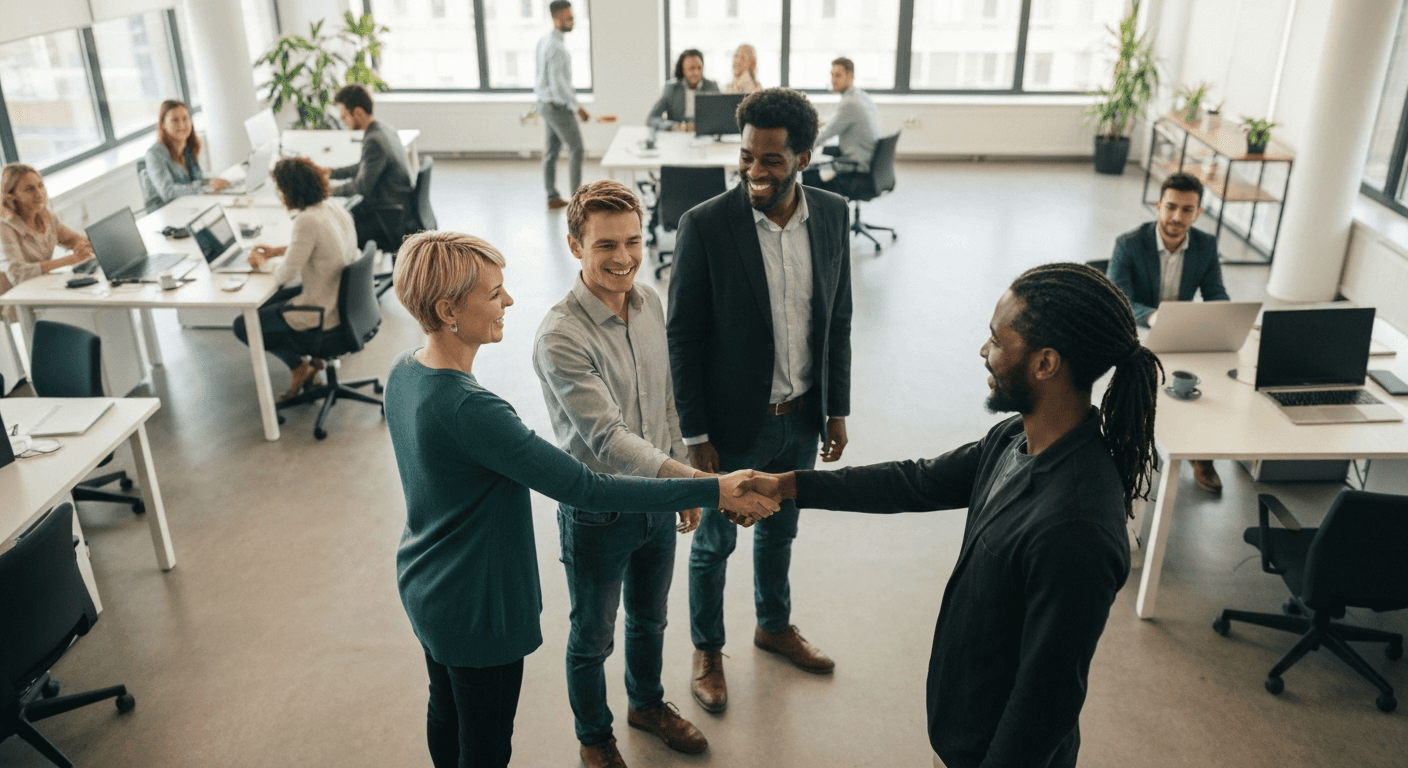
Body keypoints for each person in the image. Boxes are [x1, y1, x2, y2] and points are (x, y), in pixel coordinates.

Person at [383, 230, 778, 768]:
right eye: (494, 293)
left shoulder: (405, 371)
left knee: (447, 710)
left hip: (428, 586)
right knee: (486, 746)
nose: (509, 301)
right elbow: (587, 487)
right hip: (478, 605)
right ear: (448, 309)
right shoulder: (472, 410)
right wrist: (713, 487)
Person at [752, 263, 1157, 768]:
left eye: (997, 341)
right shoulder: (1016, 438)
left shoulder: (1077, 529)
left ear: (1045, 363)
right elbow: (917, 480)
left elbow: (1045, 702)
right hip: (965, 726)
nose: (984, 351)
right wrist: (788, 485)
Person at [666, 87, 853, 712]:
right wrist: (695, 434)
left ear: (803, 158)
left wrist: (836, 408)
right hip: (730, 426)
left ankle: (773, 626)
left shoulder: (832, 214)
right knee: (714, 546)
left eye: (771, 160)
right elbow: (683, 337)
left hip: (800, 418)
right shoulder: (705, 224)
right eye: (747, 156)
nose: (754, 171)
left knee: (781, 532)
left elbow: (838, 319)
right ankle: (707, 651)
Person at [534, 181, 710, 768]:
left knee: (651, 618)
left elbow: (666, 400)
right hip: (599, 512)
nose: (624, 257)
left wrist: (679, 480)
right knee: (593, 636)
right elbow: (607, 439)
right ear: (574, 245)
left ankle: (647, 705)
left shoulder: (648, 301)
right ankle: (594, 738)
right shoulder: (561, 336)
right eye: (606, 244)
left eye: (633, 241)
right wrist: (693, 482)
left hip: (657, 498)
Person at [1108, 171, 1230, 494]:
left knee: (1212, 376)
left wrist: (1222, 317)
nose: (1177, 217)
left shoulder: (1206, 245)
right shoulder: (1129, 244)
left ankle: (1201, 454)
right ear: (1158, 206)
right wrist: (1153, 316)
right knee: (1139, 382)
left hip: (1182, 333)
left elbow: (1216, 293)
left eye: (1187, 210)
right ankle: (1131, 451)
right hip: (1138, 332)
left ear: (1198, 213)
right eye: (1171, 207)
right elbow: (1118, 299)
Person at [232, 157, 357, 399]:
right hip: (343, 300)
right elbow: (322, 247)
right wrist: (278, 251)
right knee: (267, 305)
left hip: (323, 310)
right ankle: (311, 364)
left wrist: (260, 263)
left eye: (279, 190)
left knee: (244, 324)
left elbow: (284, 275)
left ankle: (299, 367)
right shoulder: (332, 207)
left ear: (289, 191)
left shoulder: (306, 220)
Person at [323, 84, 415, 253]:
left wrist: (326, 191)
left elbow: (361, 187)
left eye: (343, 112)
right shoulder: (383, 128)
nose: (341, 118)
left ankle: (358, 268)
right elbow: (365, 166)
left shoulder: (374, 140)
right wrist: (331, 173)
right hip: (398, 206)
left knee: (335, 229)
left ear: (358, 112)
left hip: (388, 216)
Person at [1, 163, 94, 317]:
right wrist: (70, 259)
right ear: (11, 195)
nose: (39, 194)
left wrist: (90, 245)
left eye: (40, 185)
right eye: (29, 189)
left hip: (41, 290)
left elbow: (75, 240)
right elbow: (18, 274)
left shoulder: (46, 216)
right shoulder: (5, 227)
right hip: (16, 302)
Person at [535, 0, 590, 211]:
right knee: (577, 148)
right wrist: (577, 107)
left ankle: (552, 196)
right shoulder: (556, 47)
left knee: (551, 152)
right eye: (569, 18)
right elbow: (559, 86)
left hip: (545, 104)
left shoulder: (545, 41)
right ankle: (577, 201)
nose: (573, 21)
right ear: (556, 19)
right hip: (557, 107)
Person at [802, 57, 880, 199]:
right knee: (821, 156)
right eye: (832, 75)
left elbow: (826, 133)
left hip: (857, 169)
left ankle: (820, 213)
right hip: (869, 164)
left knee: (807, 175)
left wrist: (799, 149)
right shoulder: (860, 96)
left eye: (838, 75)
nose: (833, 79)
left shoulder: (850, 103)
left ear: (850, 76)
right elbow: (836, 122)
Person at [141, 99, 229, 208]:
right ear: (163, 124)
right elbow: (168, 191)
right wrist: (206, 187)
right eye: (175, 120)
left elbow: (198, 178)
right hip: (168, 210)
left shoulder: (187, 148)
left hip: (189, 205)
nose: (182, 125)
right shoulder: (154, 154)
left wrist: (214, 181)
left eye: (185, 118)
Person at [646, 49, 720, 131]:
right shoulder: (671, 89)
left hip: (705, 135)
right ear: (683, 70)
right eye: (691, 68)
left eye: (699, 68)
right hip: (678, 135)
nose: (696, 72)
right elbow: (651, 119)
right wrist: (674, 126)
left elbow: (720, 118)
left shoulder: (712, 87)